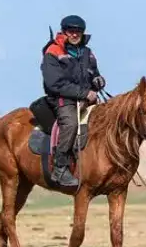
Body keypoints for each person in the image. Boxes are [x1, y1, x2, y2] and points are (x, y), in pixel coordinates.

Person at [40, 14, 105, 188]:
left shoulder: (87, 53)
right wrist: (84, 93)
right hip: (62, 99)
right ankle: (60, 167)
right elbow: (54, 83)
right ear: (64, 32)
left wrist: (98, 80)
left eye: (78, 31)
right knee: (70, 124)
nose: (75, 34)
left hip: (85, 98)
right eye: (71, 31)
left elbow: (94, 73)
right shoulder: (53, 52)